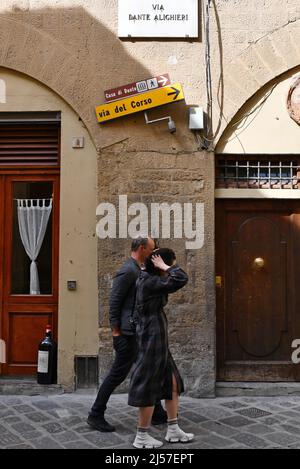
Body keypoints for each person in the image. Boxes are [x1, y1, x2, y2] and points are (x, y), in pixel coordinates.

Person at [87, 237, 167, 432]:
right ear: (142, 248)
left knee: (147, 370)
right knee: (117, 374)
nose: (154, 252)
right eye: (152, 249)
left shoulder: (138, 268)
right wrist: (115, 332)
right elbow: (114, 303)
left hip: (136, 332)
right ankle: (95, 414)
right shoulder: (128, 271)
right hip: (126, 334)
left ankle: (157, 413)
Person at [128, 248, 194, 449]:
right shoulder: (149, 280)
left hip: (158, 335)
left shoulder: (152, 279)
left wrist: (163, 266)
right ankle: (141, 436)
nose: (168, 270)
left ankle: (173, 428)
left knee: (172, 381)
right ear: (159, 265)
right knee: (148, 383)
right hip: (151, 336)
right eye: (168, 265)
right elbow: (181, 278)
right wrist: (166, 266)